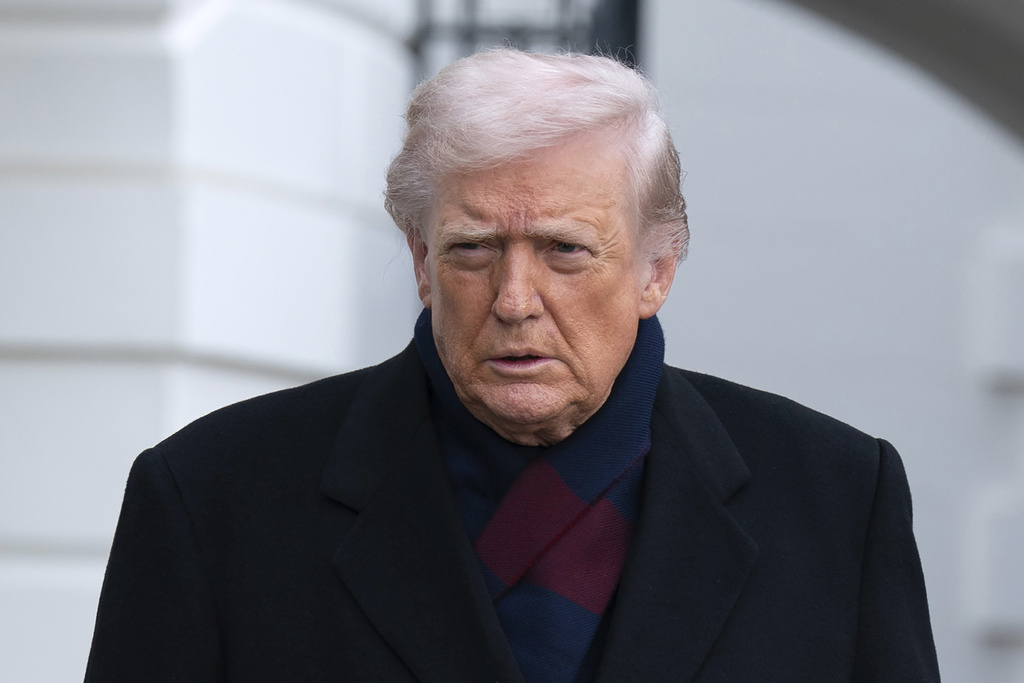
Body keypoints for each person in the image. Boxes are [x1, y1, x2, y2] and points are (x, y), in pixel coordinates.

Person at [85, 49, 940, 682]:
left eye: (565, 249)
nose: (515, 297)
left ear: (657, 270)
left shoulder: (837, 499)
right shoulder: (213, 498)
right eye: (474, 249)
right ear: (421, 261)